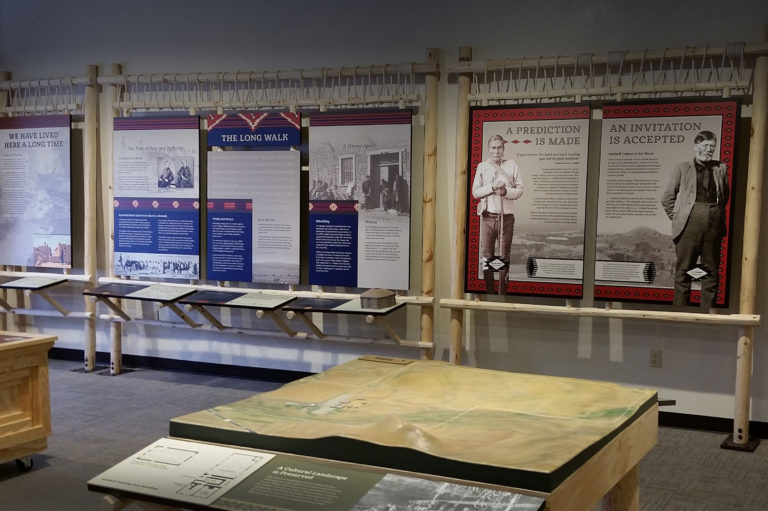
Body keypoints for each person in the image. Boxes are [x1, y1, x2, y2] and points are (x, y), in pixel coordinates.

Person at [661, 130, 729, 309]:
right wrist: (679, 218)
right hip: (689, 225)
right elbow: (667, 198)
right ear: (695, 146)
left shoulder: (721, 168)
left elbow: (724, 196)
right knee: (684, 270)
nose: (709, 150)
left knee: (710, 272)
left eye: (712, 146)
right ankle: (681, 315)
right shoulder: (682, 168)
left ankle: (707, 316)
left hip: (713, 224)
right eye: (705, 145)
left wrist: (714, 214)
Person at [471, 134, 523, 294]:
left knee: (503, 256)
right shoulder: (482, 167)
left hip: (506, 218)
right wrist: (492, 188)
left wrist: (505, 191)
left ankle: (502, 292)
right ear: (488, 149)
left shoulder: (512, 165)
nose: (496, 150)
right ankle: (490, 292)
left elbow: (520, 190)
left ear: (503, 148)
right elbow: (475, 192)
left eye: (499, 147)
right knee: (488, 256)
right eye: (493, 147)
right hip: (487, 217)